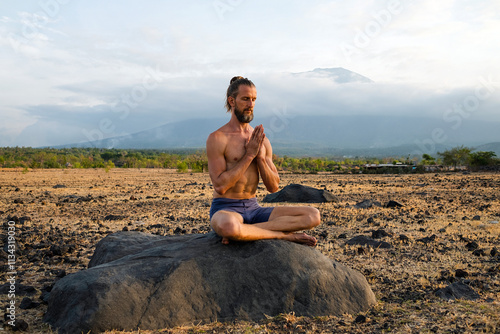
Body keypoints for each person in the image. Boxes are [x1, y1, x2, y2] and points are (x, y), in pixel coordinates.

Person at [206, 76, 321, 246]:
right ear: (232, 101)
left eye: (253, 100)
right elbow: (220, 186)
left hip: (254, 208)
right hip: (227, 209)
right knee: (228, 226)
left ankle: (248, 231)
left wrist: (260, 158)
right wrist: (249, 156)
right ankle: (282, 235)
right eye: (245, 99)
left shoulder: (260, 139)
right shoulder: (218, 138)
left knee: (313, 215)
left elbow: (273, 186)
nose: (251, 105)